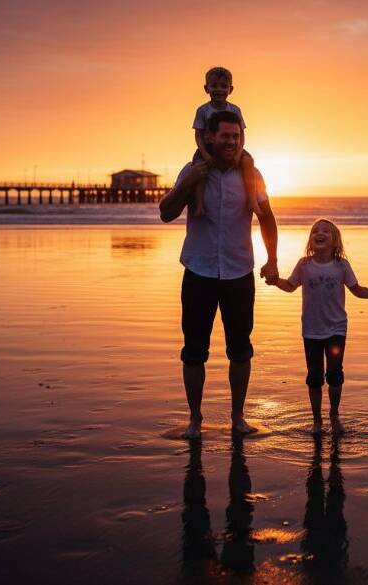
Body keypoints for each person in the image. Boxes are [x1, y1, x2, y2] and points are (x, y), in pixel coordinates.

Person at [159, 109, 279, 440]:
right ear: (210, 137)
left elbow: (267, 218)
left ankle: (238, 417)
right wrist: (190, 182)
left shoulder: (251, 174)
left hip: (239, 271)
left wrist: (272, 260)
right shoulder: (194, 169)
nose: (232, 141)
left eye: (237, 136)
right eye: (225, 136)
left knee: (241, 349)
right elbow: (165, 213)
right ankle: (195, 420)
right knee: (194, 350)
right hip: (198, 271)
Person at [270, 219, 368, 435]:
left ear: (335, 241)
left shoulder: (341, 265)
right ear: (310, 240)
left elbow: (356, 289)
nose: (320, 233)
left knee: (335, 374)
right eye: (315, 231)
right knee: (314, 377)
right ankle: (317, 420)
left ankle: (334, 415)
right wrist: (274, 280)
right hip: (311, 330)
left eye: (326, 231)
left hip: (336, 329)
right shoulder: (304, 265)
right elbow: (290, 286)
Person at [190, 66, 261, 217]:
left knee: (248, 161)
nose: (219, 90)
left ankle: (252, 200)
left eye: (224, 86)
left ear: (231, 89)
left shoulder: (235, 110)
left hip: (232, 148)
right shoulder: (203, 110)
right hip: (207, 148)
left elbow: (241, 134)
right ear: (206, 88)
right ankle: (200, 205)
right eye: (214, 86)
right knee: (199, 168)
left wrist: (238, 153)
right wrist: (205, 154)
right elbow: (198, 135)